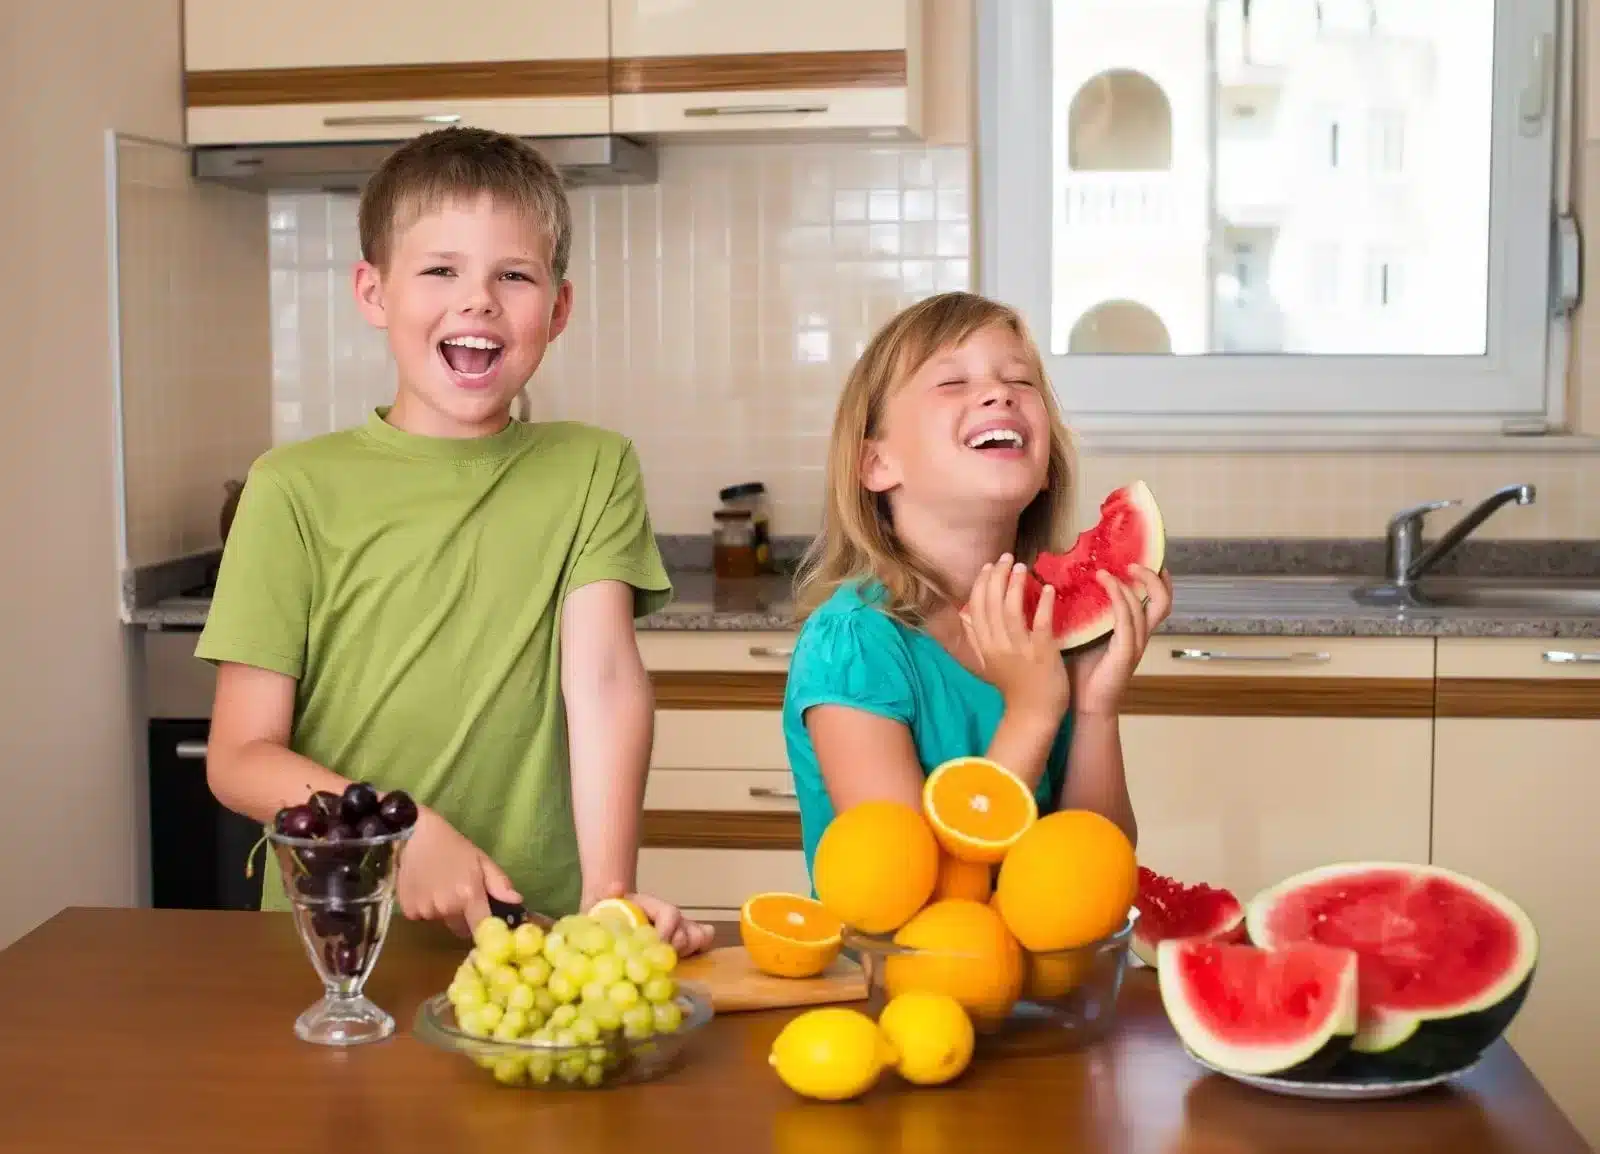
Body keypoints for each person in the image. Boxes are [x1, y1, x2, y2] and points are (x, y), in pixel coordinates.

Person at [198, 126, 714, 956]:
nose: (478, 300)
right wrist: (395, 834)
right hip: (334, 932)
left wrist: (606, 898)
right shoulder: (289, 488)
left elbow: (606, 682)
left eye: (514, 275)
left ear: (558, 307)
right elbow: (239, 758)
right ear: (373, 292)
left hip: (529, 927)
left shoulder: (594, 468)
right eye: (441, 270)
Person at [781, 291, 1172, 879]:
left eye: (1021, 379)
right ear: (876, 464)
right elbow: (913, 891)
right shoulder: (854, 645)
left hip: (1039, 972)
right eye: (951, 382)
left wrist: (1094, 707)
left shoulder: (1041, 632)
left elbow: (1093, 872)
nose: (1000, 392)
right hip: (892, 971)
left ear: (1045, 470)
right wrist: (1033, 713)